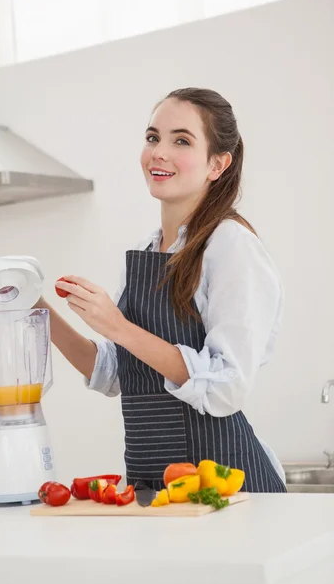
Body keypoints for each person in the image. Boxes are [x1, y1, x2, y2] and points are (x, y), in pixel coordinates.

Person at [37, 87, 287, 493]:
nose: (159, 152)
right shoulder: (144, 251)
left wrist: (117, 326)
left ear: (217, 164)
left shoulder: (230, 245)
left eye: (181, 141)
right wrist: (37, 308)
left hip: (228, 493)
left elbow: (226, 386)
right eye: (153, 137)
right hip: (155, 488)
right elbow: (118, 372)